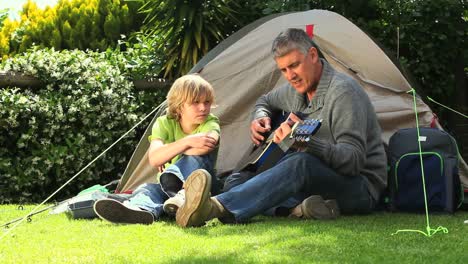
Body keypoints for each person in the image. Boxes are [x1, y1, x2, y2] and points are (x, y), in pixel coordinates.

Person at [175, 28, 387, 228]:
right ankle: (297, 210)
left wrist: (303, 141)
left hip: (360, 188)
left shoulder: (343, 93)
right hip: (314, 184)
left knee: (300, 162)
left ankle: (214, 207)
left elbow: (353, 162)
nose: (290, 76)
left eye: (294, 65)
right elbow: (265, 101)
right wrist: (261, 117)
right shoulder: (296, 90)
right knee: (237, 181)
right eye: (283, 69)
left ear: (313, 55)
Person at [93, 74, 221, 224]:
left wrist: (168, 153)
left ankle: (183, 195)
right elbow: (154, 159)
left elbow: (207, 145)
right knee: (148, 189)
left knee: (195, 159)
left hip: (203, 187)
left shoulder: (210, 122)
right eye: (195, 102)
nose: (203, 108)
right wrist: (188, 141)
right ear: (179, 106)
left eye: (207, 102)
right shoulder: (164, 123)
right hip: (168, 188)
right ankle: (139, 211)